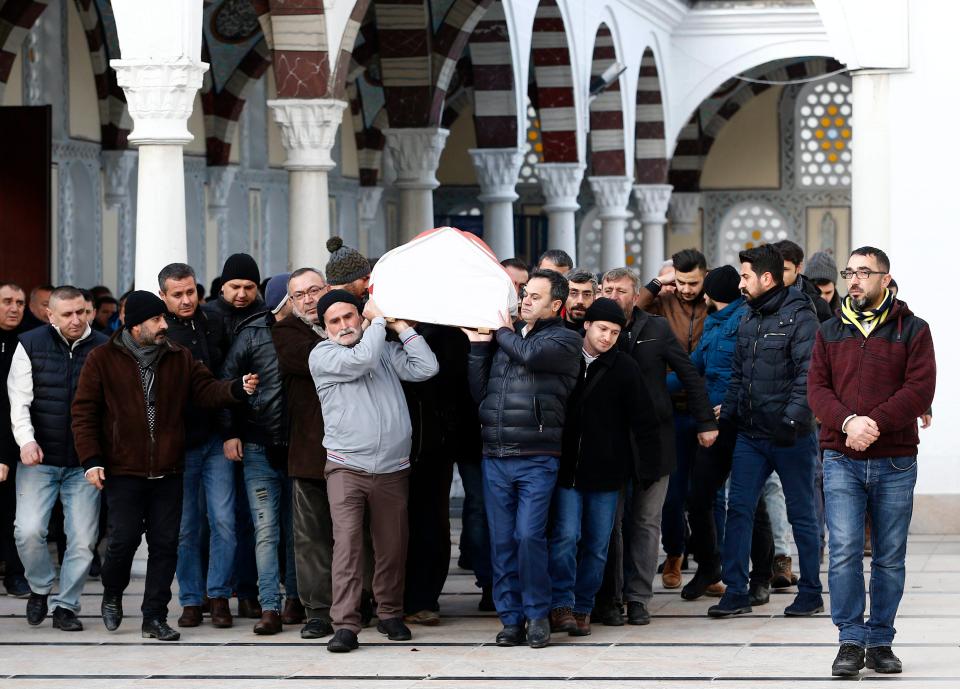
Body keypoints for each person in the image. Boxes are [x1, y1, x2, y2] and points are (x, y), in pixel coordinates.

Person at [72, 291, 259, 642]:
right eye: (157, 320)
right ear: (136, 325)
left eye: (164, 319)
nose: (164, 326)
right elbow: (83, 413)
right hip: (123, 470)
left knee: (165, 545)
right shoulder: (102, 359)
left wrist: (236, 388)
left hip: (169, 470)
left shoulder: (179, 356)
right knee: (122, 542)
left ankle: (154, 617)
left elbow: (206, 390)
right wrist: (91, 460)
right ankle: (112, 591)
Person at [808, 247, 936, 677]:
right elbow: (817, 390)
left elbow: (919, 389)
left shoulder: (913, 330)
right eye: (850, 272)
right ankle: (849, 639)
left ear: (885, 278)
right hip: (840, 458)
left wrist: (872, 424)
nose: (854, 280)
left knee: (889, 556)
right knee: (843, 550)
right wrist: (847, 422)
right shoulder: (829, 331)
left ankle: (880, 640)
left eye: (864, 272)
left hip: (894, 461)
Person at [310, 292, 438, 653]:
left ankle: (390, 614)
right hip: (346, 467)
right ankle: (346, 624)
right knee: (348, 547)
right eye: (334, 321)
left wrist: (400, 327)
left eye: (349, 317)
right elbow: (362, 360)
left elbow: (426, 368)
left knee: (392, 546)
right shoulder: (323, 355)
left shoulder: (378, 346)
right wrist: (379, 322)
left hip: (392, 469)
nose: (344, 326)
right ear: (325, 328)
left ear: (358, 316)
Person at [465, 269, 581, 649]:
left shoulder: (564, 340)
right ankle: (510, 619)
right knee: (501, 542)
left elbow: (529, 356)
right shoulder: (510, 339)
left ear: (557, 305)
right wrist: (479, 348)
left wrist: (499, 331)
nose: (525, 301)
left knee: (529, 536)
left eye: (534, 296)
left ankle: (536, 614)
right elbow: (481, 392)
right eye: (525, 294)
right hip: (495, 454)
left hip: (536, 455)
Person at [596, 267, 716, 625]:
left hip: (654, 440)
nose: (613, 295)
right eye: (607, 289)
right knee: (611, 523)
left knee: (646, 522)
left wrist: (706, 421)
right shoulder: (596, 331)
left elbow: (689, 374)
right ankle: (610, 596)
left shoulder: (657, 328)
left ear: (636, 296)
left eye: (621, 290)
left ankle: (637, 598)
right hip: (611, 442)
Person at [709, 244, 824, 618]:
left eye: (745, 276)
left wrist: (791, 421)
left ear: (766, 278)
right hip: (751, 435)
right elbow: (738, 375)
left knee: (801, 513)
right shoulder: (748, 316)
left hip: (791, 436)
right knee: (738, 508)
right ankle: (736, 591)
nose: (741, 283)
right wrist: (727, 420)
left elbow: (809, 376)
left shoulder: (800, 316)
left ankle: (810, 591)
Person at [549, 298, 660, 637]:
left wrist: (645, 468)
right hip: (567, 470)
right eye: (602, 329)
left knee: (598, 544)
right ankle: (561, 604)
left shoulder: (624, 367)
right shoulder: (564, 358)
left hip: (608, 473)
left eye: (615, 332)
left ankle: (583, 607)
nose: (608, 337)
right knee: (566, 537)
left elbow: (644, 420)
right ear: (586, 325)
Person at [6, 286, 108, 631]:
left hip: (85, 462)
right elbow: (18, 403)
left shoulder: (105, 346)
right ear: (50, 315)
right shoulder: (30, 343)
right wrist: (26, 442)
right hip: (40, 459)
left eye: (82, 312)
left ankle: (66, 605)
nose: (76, 320)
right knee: (28, 530)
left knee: (82, 538)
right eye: (67, 314)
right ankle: (39, 587)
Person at [221, 273, 300, 635]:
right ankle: (270, 605)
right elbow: (229, 383)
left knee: (297, 529)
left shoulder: (312, 332)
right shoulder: (252, 334)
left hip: (301, 447)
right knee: (266, 530)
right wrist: (231, 432)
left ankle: (294, 600)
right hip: (258, 444)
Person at [157, 263, 235, 630]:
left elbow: (224, 378)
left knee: (223, 521)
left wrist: (229, 429)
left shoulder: (214, 322)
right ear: (164, 296)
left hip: (216, 438)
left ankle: (218, 595)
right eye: (178, 294)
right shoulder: (158, 332)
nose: (186, 300)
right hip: (179, 446)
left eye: (191, 292)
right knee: (187, 527)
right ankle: (190, 599)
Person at [665, 266, 749, 600]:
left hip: (736, 424)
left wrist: (728, 406)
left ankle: (750, 577)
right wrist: (652, 386)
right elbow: (692, 368)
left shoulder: (742, 322)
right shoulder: (715, 326)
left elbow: (746, 374)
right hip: (712, 425)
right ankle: (709, 566)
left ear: (709, 294)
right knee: (699, 498)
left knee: (746, 504)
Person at [637, 248, 711, 588]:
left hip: (706, 409)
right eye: (681, 282)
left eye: (693, 282)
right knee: (672, 493)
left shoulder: (714, 304)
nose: (686, 289)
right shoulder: (663, 301)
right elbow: (630, 310)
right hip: (669, 409)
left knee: (706, 494)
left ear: (705, 277)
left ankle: (711, 563)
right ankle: (674, 554)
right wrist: (657, 283)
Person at [272, 267, 335, 639]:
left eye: (315, 290)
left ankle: (358, 601)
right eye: (300, 295)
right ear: (291, 303)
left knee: (356, 535)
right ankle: (317, 612)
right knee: (310, 539)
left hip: (354, 451)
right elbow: (310, 360)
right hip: (310, 451)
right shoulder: (286, 332)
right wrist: (345, 339)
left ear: (326, 289)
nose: (309, 299)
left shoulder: (346, 318)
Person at [202, 252, 265, 619]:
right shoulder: (208, 317)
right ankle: (215, 593)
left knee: (249, 517)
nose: (241, 293)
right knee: (217, 519)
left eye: (248, 287)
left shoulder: (262, 318)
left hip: (255, 428)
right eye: (235, 287)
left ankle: (248, 590)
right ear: (222, 286)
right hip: (216, 430)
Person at [0, 283, 29, 598]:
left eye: (19, 302)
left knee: (14, 516)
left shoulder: (26, 340)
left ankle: (16, 574)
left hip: (19, 443)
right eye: (7, 301)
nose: (14, 308)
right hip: (6, 447)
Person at [773, 240, 832, 323]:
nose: (778, 275)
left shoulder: (818, 305)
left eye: (785, 270)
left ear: (798, 268)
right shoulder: (757, 298)